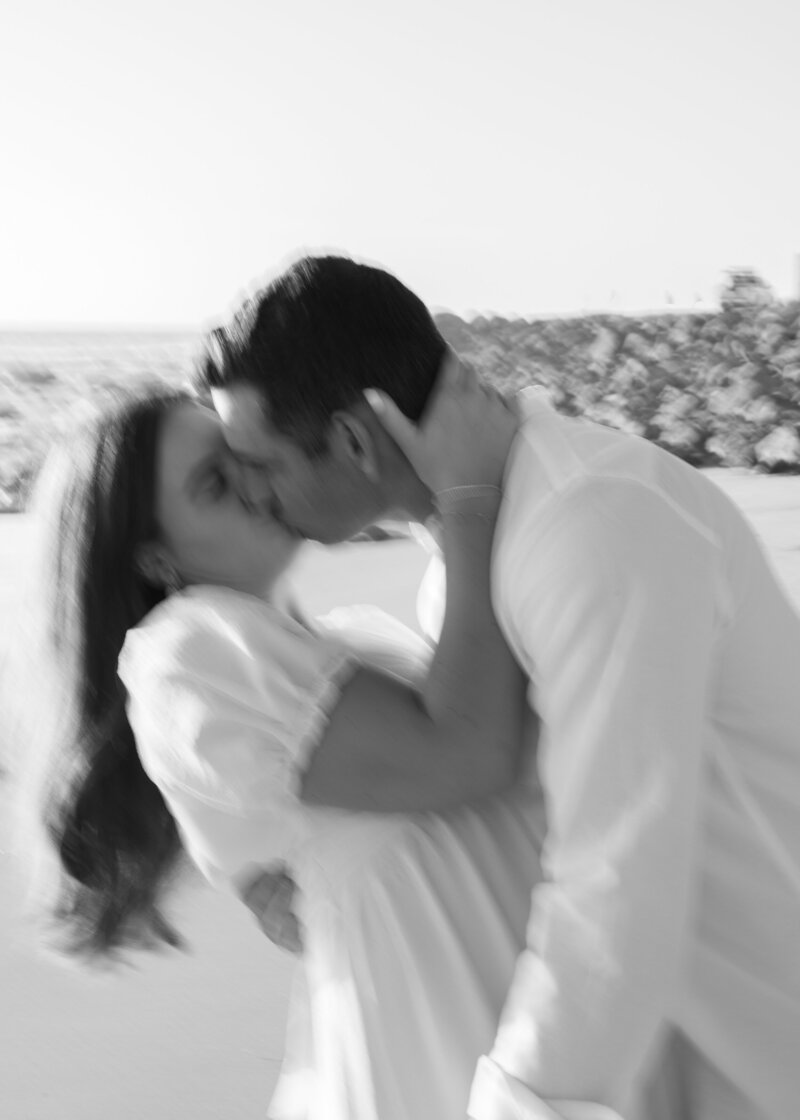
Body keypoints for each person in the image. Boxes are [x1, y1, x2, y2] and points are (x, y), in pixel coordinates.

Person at [203, 254, 800, 1120]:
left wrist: (518, 1104)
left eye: (258, 463)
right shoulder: (479, 547)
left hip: (749, 1062)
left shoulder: (593, 524)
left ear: (357, 439)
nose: (250, 494)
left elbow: (615, 873)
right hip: (644, 1067)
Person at [22, 372, 547, 1120]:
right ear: (154, 559)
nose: (253, 482)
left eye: (242, 454)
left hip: (482, 1026)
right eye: (212, 483)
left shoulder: (330, 642)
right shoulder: (190, 648)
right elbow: (466, 752)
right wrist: (466, 494)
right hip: (440, 1053)